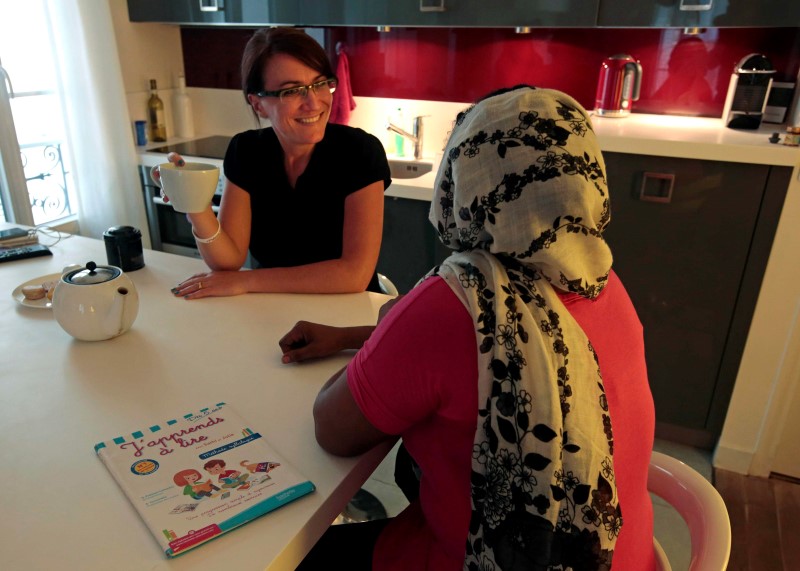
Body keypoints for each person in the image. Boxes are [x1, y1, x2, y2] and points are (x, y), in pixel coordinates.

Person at [281, 86, 656, 570]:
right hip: (623, 558)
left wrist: (382, 338)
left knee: (296, 554)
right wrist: (366, 334)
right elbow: (488, 350)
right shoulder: (602, 281)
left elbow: (331, 429)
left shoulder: (453, 304)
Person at [164, 27, 391, 299]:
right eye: (292, 91)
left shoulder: (359, 152)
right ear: (258, 104)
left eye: (319, 84)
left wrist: (247, 281)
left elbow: (354, 274)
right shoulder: (246, 150)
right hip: (271, 307)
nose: (313, 102)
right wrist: (195, 205)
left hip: (346, 316)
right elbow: (227, 261)